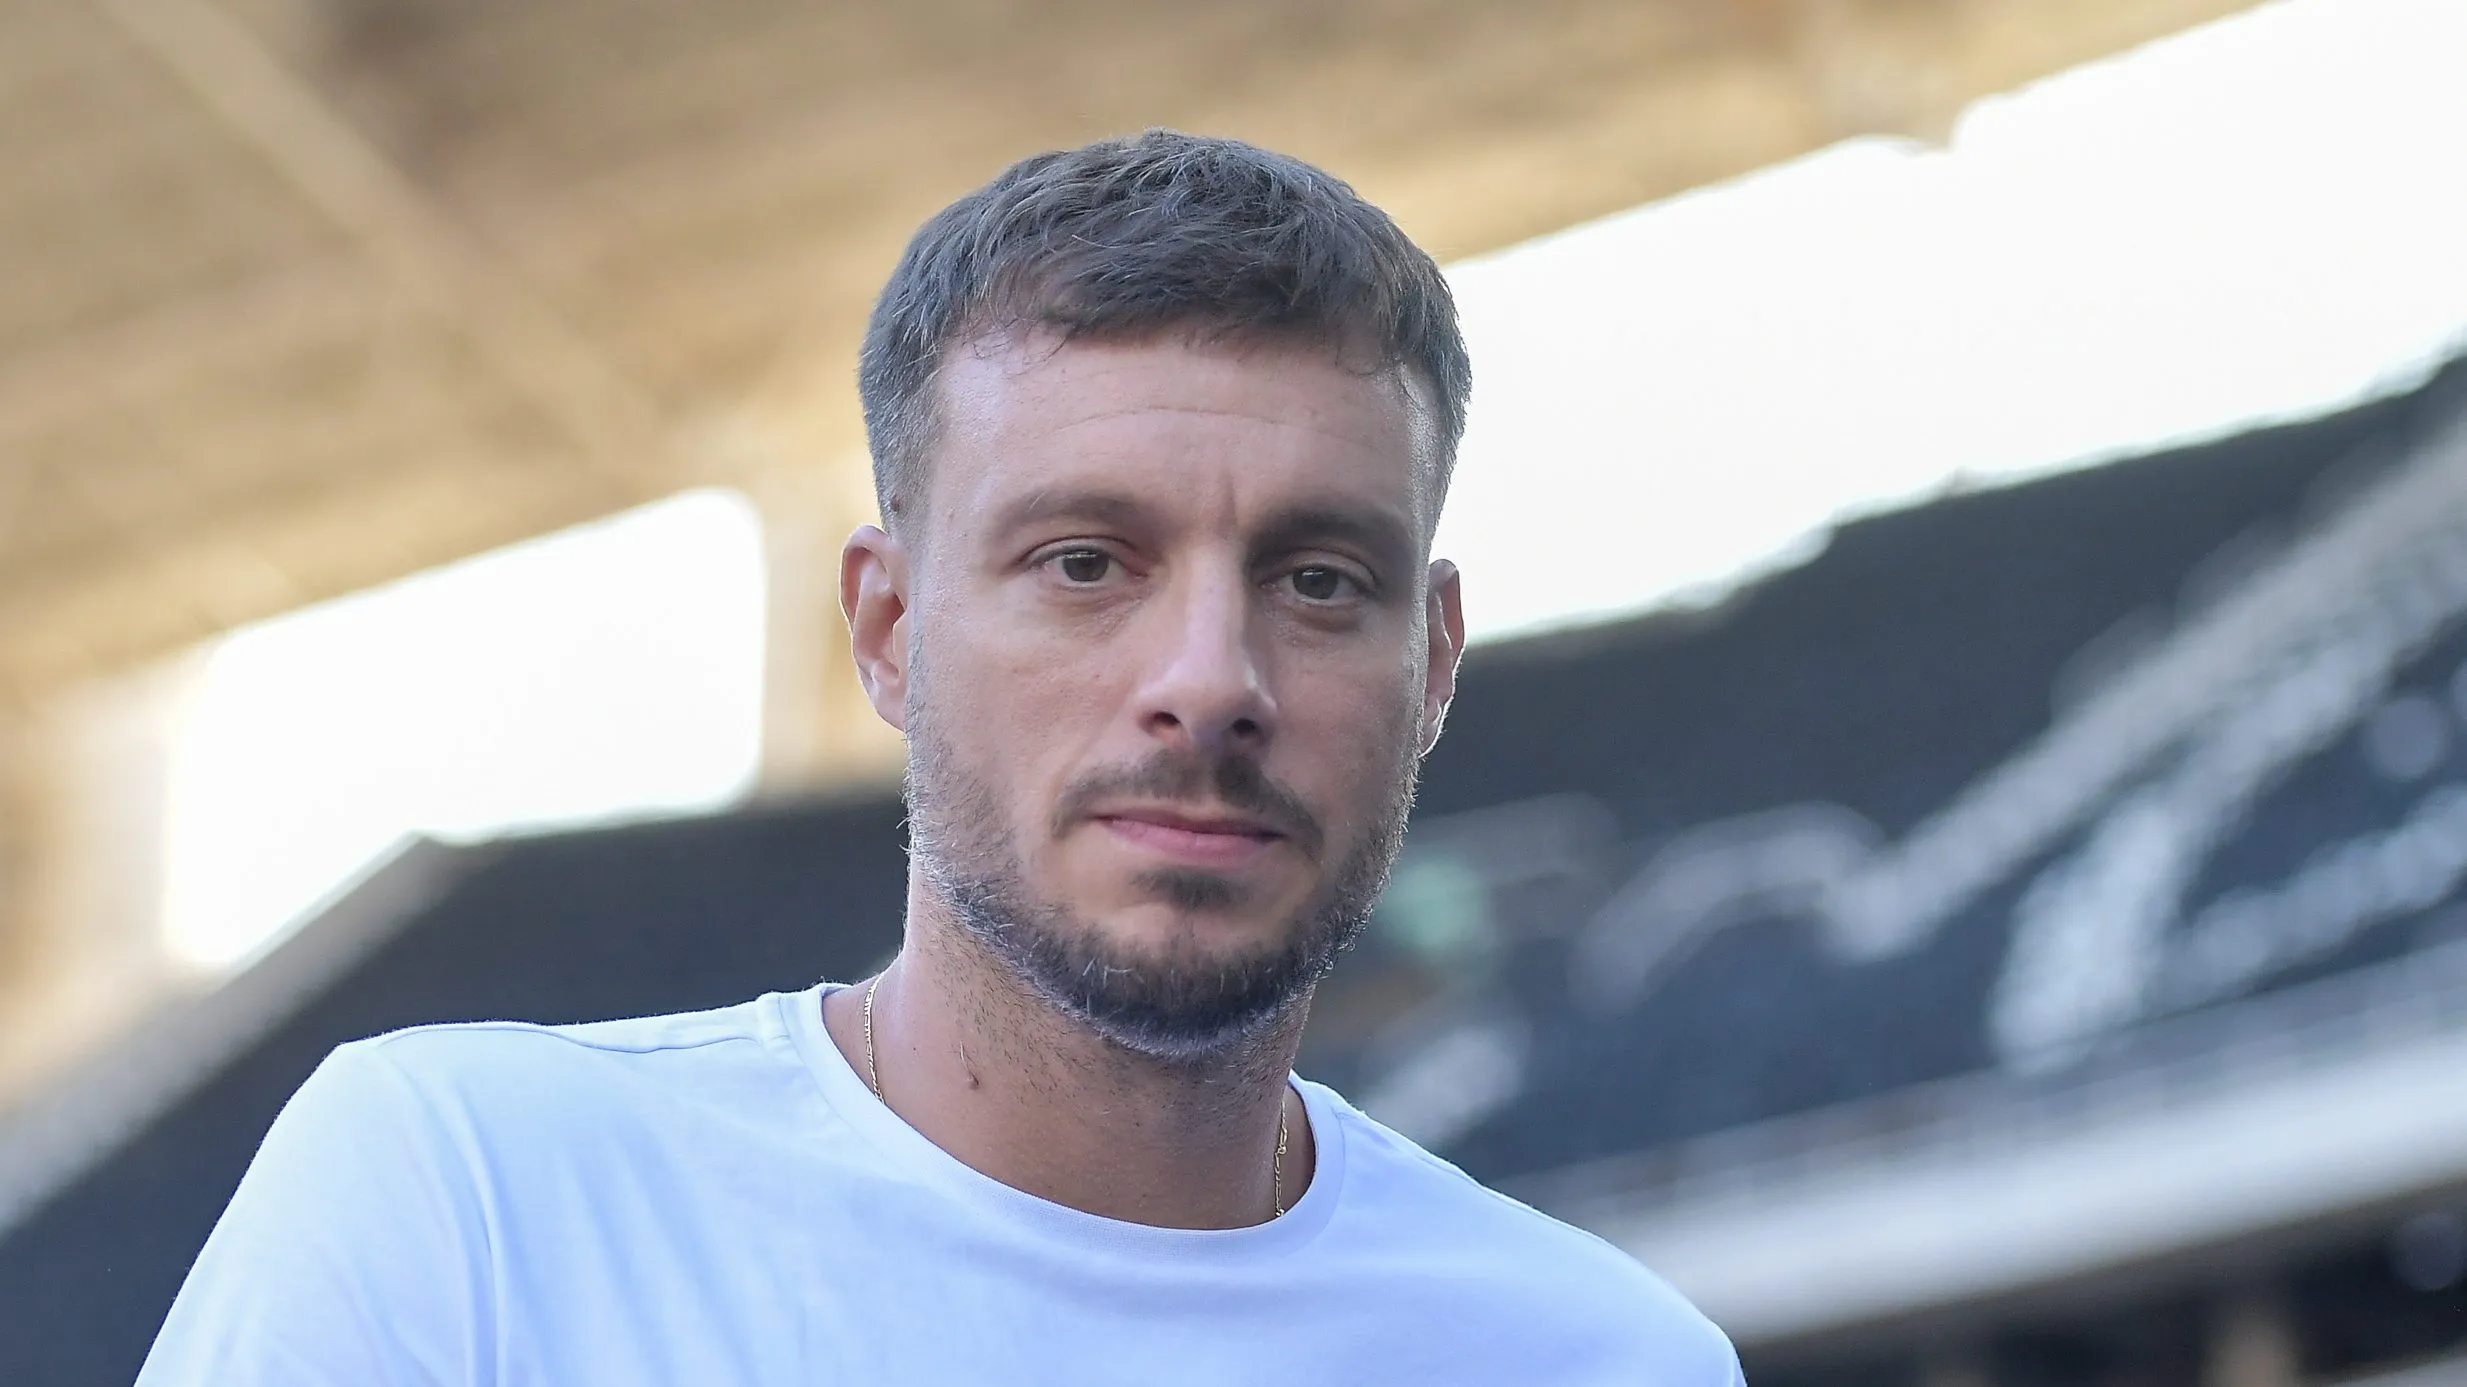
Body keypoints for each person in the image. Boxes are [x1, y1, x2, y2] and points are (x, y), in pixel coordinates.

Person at [139, 130, 1742, 1386]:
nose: (1208, 681)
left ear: (1432, 660)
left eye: (1318, 580)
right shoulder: (473, 1199)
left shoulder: (1601, 1360)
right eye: (1085, 562)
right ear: (891, 628)